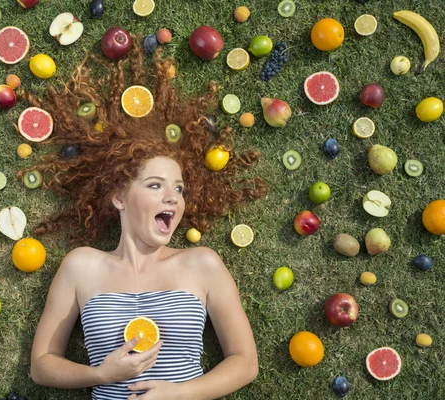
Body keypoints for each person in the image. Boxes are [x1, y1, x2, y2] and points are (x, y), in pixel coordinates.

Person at [19, 35, 267, 399]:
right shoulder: (81, 266)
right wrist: (101, 373)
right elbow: (42, 365)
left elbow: (245, 362)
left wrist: (179, 394)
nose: (172, 197)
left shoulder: (203, 264)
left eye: (179, 189)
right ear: (120, 197)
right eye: (155, 186)